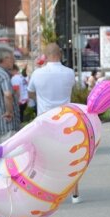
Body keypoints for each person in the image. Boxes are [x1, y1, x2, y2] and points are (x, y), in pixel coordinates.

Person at [29, 43, 79, 201]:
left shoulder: (37, 74)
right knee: (71, 158)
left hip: (44, 121)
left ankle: (44, 194)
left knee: (43, 159)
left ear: (45, 55)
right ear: (61, 54)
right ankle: (75, 193)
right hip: (66, 120)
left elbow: (30, 93)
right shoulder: (69, 72)